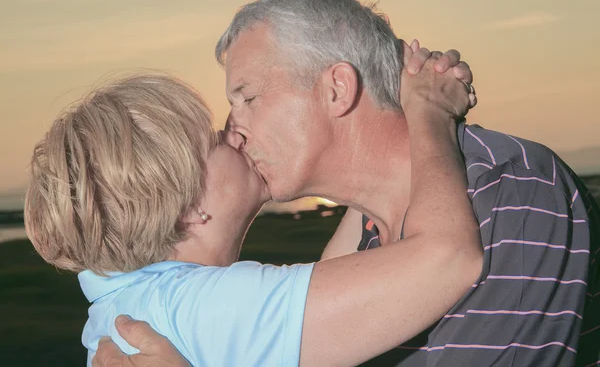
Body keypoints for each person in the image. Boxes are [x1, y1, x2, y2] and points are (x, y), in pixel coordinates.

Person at [98, 0, 600, 366]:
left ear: (338, 88)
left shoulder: (505, 188)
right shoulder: (365, 240)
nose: (234, 127)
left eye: (248, 97)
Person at [25, 59, 481, 366]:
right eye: (212, 141)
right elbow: (450, 259)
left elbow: (328, 294)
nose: (236, 134)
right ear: (188, 210)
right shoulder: (209, 307)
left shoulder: (125, 305)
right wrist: (430, 114)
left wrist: (384, 140)